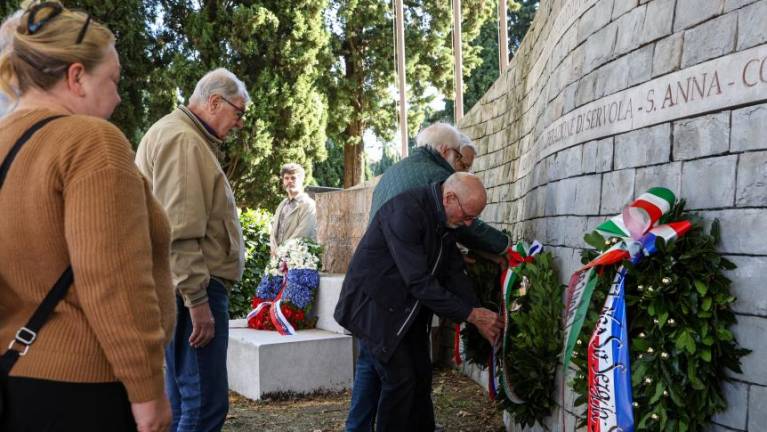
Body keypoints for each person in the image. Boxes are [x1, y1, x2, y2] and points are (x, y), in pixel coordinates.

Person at [0, 2, 175, 431]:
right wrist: (148, 394)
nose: (117, 96)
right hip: (83, 390)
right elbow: (114, 281)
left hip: (13, 381)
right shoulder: (90, 141)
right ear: (76, 76)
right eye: (112, 80)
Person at [345, 122, 509, 431]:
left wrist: (477, 311)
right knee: (401, 382)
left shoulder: (438, 207)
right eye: (469, 216)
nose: (470, 224)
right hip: (379, 306)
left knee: (415, 374)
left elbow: (450, 266)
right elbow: (419, 281)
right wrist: (473, 314)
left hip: (399, 306)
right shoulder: (416, 200)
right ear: (449, 198)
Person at [135, 67, 247, 432]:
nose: (240, 123)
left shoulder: (181, 135)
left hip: (181, 287)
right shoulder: (184, 140)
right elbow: (177, 232)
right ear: (215, 102)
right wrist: (197, 301)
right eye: (239, 112)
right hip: (192, 289)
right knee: (203, 405)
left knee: (186, 403)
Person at [269, 162, 317, 256]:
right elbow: (274, 233)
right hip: (277, 261)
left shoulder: (308, 205)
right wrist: (274, 251)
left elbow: (302, 234)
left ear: (301, 180)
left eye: (293, 178)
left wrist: (280, 252)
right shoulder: (281, 205)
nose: (289, 181)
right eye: (286, 178)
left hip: (298, 261)